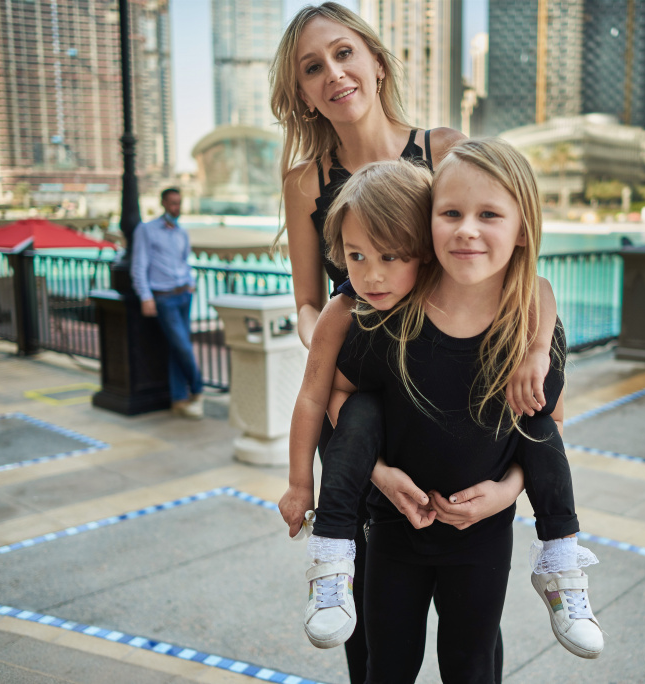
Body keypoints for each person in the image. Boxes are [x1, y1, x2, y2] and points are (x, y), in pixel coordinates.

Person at [270, 5, 550, 680]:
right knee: (371, 620)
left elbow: (507, 270)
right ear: (301, 91)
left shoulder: (444, 149)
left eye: (344, 53)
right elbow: (309, 301)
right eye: (312, 67)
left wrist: (535, 355)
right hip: (362, 399)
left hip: (449, 397)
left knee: (471, 624)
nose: (334, 73)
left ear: (375, 60)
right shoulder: (304, 181)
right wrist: (330, 355)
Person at [287, 156, 604, 668]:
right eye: (451, 213)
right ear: (429, 227)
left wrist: (505, 492)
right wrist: (369, 476)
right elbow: (330, 398)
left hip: (482, 535)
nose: (467, 230)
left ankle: (561, 561)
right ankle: (330, 553)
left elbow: (551, 425)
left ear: (523, 229)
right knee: (387, 664)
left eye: (489, 215)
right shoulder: (383, 316)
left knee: (471, 663)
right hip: (393, 526)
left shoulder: (526, 326)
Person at [130, 187, 204, 419]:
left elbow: (185, 262)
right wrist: (145, 296)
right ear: (163, 203)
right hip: (163, 297)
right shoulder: (146, 230)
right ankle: (199, 390)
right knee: (182, 346)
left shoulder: (182, 232)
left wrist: (190, 282)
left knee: (176, 347)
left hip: (184, 295)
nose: (176, 207)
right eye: (172, 203)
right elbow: (139, 266)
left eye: (179, 203)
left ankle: (179, 398)